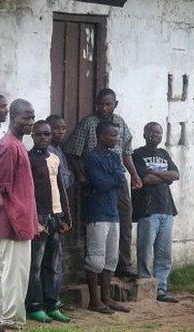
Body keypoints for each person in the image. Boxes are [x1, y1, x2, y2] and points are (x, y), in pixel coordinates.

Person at [64, 88, 142, 279]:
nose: (104, 107)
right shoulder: (88, 124)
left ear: (115, 105)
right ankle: (92, 270)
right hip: (96, 180)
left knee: (124, 219)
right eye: (100, 104)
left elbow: (126, 152)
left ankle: (123, 264)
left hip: (118, 179)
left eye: (108, 104)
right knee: (95, 226)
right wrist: (82, 175)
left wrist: (135, 175)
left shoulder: (120, 123)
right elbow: (72, 152)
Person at [0, 99, 40, 332]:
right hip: (12, 218)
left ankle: (3, 320)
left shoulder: (17, 144)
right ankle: (7, 320)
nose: (30, 123)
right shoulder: (8, 145)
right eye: (25, 118)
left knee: (10, 271)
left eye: (32, 118)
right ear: (13, 117)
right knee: (11, 273)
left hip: (21, 217)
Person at [25, 120, 72, 323]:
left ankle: (51, 304)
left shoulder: (54, 158)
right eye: (39, 134)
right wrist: (33, 218)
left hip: (55, 216)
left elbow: (60, 188)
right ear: (33, 136)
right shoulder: (28, 159)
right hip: (39, 217)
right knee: (35, 265)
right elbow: (26, 192)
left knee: (52, 265)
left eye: (47, 134)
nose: (43, 138)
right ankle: (34, 306)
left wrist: (66, 216)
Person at [83, 121, 131, 314]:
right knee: (96, 259)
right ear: (101, 135)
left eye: (117, 136)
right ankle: (94, 300)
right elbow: (100, 183)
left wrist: (111, 177)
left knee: (111, 258)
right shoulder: (92, 157)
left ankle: (107, 297)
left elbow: (121, 179)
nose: (115, 139)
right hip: (97, 213)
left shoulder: (115, 156)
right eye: (112, 135)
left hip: (113, 212)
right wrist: (113, 177)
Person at [132, 122, 180, 303]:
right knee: (145, 251)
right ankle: (145, 285)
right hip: (147, 209)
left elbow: (176, 174)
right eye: (151, 132)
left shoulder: (164, 154)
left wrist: (157, 174)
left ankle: (161, 289)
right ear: (144, 134)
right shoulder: (138, 154)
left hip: (167, 209)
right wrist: (163, 175)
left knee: (164, 253)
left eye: (158, 132)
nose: (155, 135)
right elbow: (145, 178)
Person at [45, 114, 74, 312]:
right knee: (48, 260)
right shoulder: (45, 153)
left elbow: (67, 178)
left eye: (63, 128)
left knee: (55, 259)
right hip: (47, 212)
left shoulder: (59, 152)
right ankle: (47, 300)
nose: (61, 132)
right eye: (56, 129)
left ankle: (55, 299)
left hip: (59, 210)